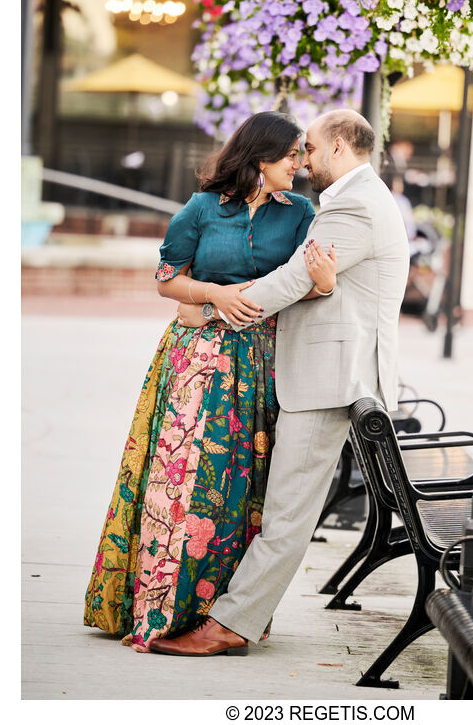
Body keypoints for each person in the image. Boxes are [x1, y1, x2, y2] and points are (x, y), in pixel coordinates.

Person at [150, 108, 410, 657]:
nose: (305, 161)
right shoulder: (354, 200)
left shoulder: (355, 205)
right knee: (282, 508)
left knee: (287, 513)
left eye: (310, 149)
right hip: (320, 371)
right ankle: (233, 618)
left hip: (329, 377)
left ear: (339, 146)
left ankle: (230, 626)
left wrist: (214, 310)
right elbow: (317, 283)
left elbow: (295, 279)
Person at [83, 112, 336, 652]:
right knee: (179, 483)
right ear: (261, 159)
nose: (301, 164)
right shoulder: (201, 209)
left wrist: (322, 285)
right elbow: (167, 279)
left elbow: (305, 284)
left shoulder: (300, 215)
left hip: (264, 366)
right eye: (292, 155)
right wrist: (213, 296)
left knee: (238, 486)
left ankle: (222, 617)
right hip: (196, 364)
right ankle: (157, 608)